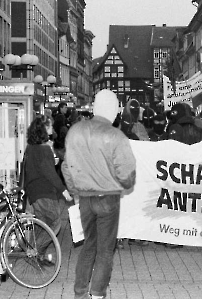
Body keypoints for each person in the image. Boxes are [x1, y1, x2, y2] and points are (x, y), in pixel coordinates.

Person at [61, 89, 137, 299]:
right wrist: (125, 182)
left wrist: (76, 190)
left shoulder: (76, 131)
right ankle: (97, 293)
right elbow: (127, 171)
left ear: (95, 107)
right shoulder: (115, 135)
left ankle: (79, 292)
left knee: (89, 245)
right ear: (114, 111)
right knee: (105, 249)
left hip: (85, 198)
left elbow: (66, 167)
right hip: (109, 197)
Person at [25, 115, 73, 264]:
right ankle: (35, 252)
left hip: (34, 191)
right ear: (44, 129)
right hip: (44, 191)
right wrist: (63, 190)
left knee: (42, 224)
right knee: (55, 223)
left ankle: (37, 257)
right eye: (50, 126)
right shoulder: (44, 148)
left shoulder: (31, 147)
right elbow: (49, 172)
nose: (52, 128)